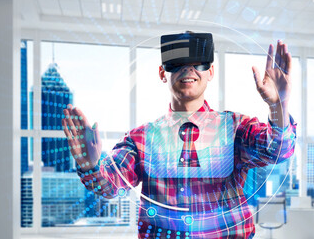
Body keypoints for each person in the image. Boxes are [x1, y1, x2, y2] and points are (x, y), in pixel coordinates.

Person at [62, 31, 297, 239]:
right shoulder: (141, 139)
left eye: (199, 64)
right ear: (163, 73)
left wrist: (279, 105)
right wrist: (91, 164)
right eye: (178, 64)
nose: (189, 69)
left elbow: (278, 150)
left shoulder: (234, 128)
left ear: (211, 72)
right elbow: (109, 186)